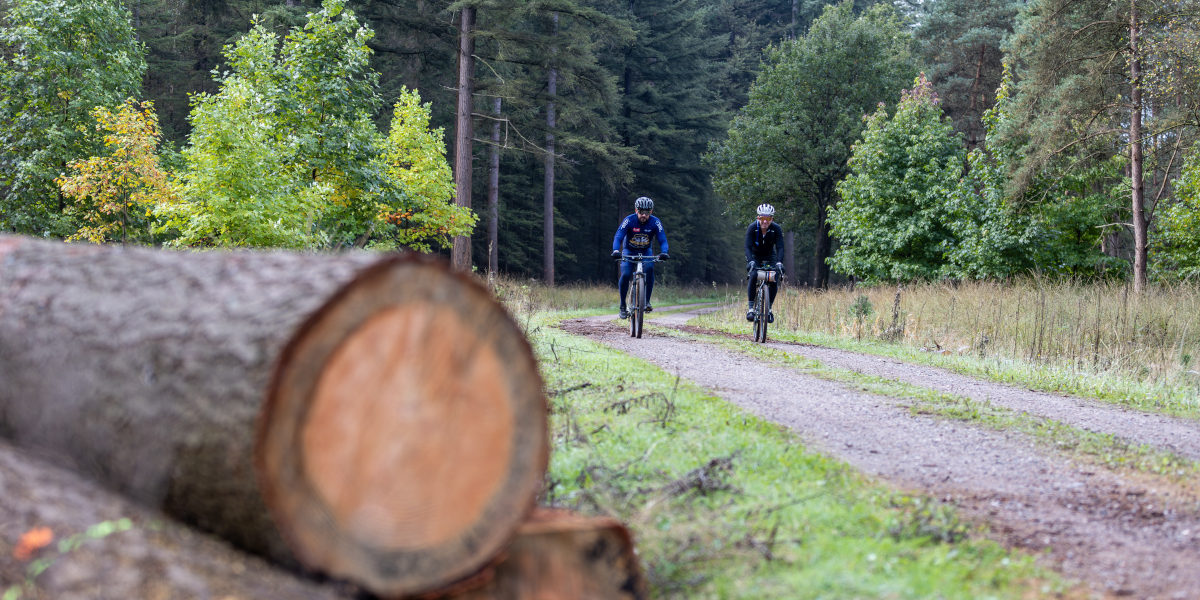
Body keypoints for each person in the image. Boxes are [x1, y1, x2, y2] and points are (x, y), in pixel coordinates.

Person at [612, 196, 669, 319]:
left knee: (649, 268)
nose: (644, 215)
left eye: (647, 212)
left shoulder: (655, 222)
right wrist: (616, 250)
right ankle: (622, 305)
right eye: (641, 212)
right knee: (626, 274)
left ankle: (647, 301)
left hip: (646, 251)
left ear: (651, 212)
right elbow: (618, 236)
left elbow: (663, 239)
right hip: (629, 250)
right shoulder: (629, 220)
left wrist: (664, 252)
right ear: (636, 210)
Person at [745, 203, 784, 322]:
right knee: (753, 275)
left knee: (774, 277)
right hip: (755, 255)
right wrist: (750, 261)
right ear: (758, 218)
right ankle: (751, 308)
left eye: (768, 219)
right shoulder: (752, 228)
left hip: (769, 255)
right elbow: (747, 247)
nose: (765, 221)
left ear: (772, 219)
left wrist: (779, 262)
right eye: (762, 218)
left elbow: (780, 247)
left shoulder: (776, 229)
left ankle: (769, 309)